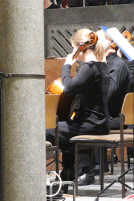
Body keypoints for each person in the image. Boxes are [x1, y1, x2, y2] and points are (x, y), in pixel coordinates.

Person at [47, 29, 109, 186]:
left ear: (81, 47)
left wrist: (66, 66)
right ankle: (71, 171)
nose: (73, 51)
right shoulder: (101, 66)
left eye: (73, 47)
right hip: (99, 122)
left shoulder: (89, 67)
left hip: (91, 124)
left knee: (44, 131)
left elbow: (68, 88)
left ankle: (65, 173)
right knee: (65, 134)